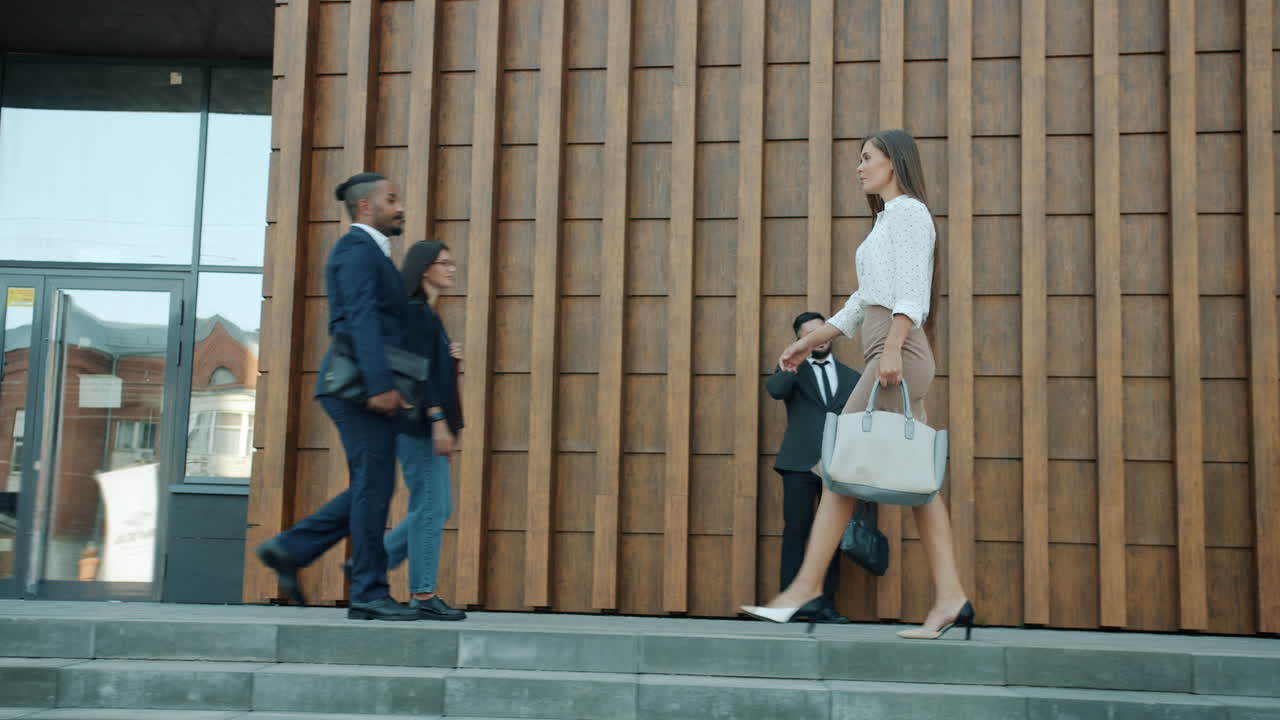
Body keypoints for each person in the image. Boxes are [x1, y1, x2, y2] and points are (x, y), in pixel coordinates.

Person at [742, 130, 974, 640]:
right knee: (918, 482)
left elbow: (912, 293)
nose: (859, 167)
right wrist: (810, 341)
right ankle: (952, 598)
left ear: (895, 162)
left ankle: (803, 589)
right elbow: (860, 302)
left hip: (897, 355)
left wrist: (891, 349)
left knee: (837, 464)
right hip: (886, 353)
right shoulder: (885, 222)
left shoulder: (911, 213)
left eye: (867, 158)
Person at [255, 172, 419, 621]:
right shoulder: (356, 252)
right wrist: (380, 385)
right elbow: (360, 321)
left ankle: (289, 549)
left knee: (374, 485)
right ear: (366, 207)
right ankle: (367, 590)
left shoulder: (372, 254)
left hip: (362, 385)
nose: (400, 206)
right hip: (358, 390)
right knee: (375, 486)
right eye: (392, 198)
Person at [383, 241, 466, 620]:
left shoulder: (429, 316)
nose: (452, 268)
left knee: (433, 507)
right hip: (419, 426)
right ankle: (423, 593)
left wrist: (451, 362)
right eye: (444, 263)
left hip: (425, 424)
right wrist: (437, 421)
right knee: (432, 508)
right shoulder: (416, 313)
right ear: (423, 270)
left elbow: (431, 370)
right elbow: (416, 374)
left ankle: (370, 566)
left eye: (452, 263)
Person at [765, 311, 861, 625]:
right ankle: (788, 603)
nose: (817, 339)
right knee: (796, 531)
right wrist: (791, 365)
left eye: (821, 332)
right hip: (798, 464)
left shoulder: (851, 377)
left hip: (837, 467)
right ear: (800, 340)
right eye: (809, 334)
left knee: (830, 535)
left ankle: (824, 604)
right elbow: (775, 390)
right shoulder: (792, 369)